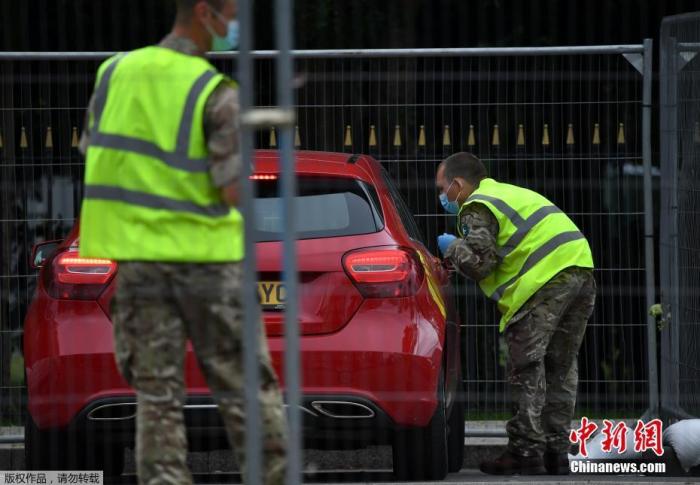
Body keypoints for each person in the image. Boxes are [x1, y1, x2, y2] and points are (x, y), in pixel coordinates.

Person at [78, 1, 287, 483]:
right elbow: (231, 189)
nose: (236, 27)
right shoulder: (215, 93)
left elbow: (100, 154)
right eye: (233, 13)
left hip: (140, 263)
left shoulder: (113, 74)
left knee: (157, 397)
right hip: (207, 263)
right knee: (247, 391)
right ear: (204, 12)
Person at [436, 152, 595, 476]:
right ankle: (557, 453)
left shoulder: (477, 205)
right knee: (561, 368)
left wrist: (452, 247)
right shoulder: (509, 193)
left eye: (442, 188)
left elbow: (481, 264)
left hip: (544, 281)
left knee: (527, 367)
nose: (442, 196)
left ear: (458, 184)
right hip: (581, 269)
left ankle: (526, 453)